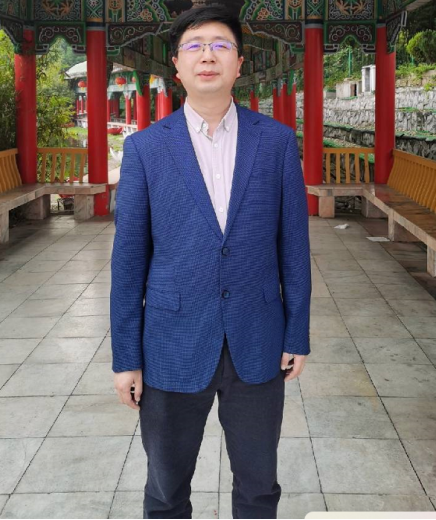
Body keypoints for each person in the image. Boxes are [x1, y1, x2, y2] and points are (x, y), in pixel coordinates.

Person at [110, 5, 311, 519]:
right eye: (194, 46)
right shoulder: (145, 149)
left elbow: (293, 247)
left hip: (258, 339)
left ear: (239, 64)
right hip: (170, 345)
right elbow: (128, 264)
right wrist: (126, 357)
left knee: (258, 489)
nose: (208, 56)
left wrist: (297, 333)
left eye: (221, 45)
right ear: (177, 65)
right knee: (165, 492)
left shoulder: (276, 142)